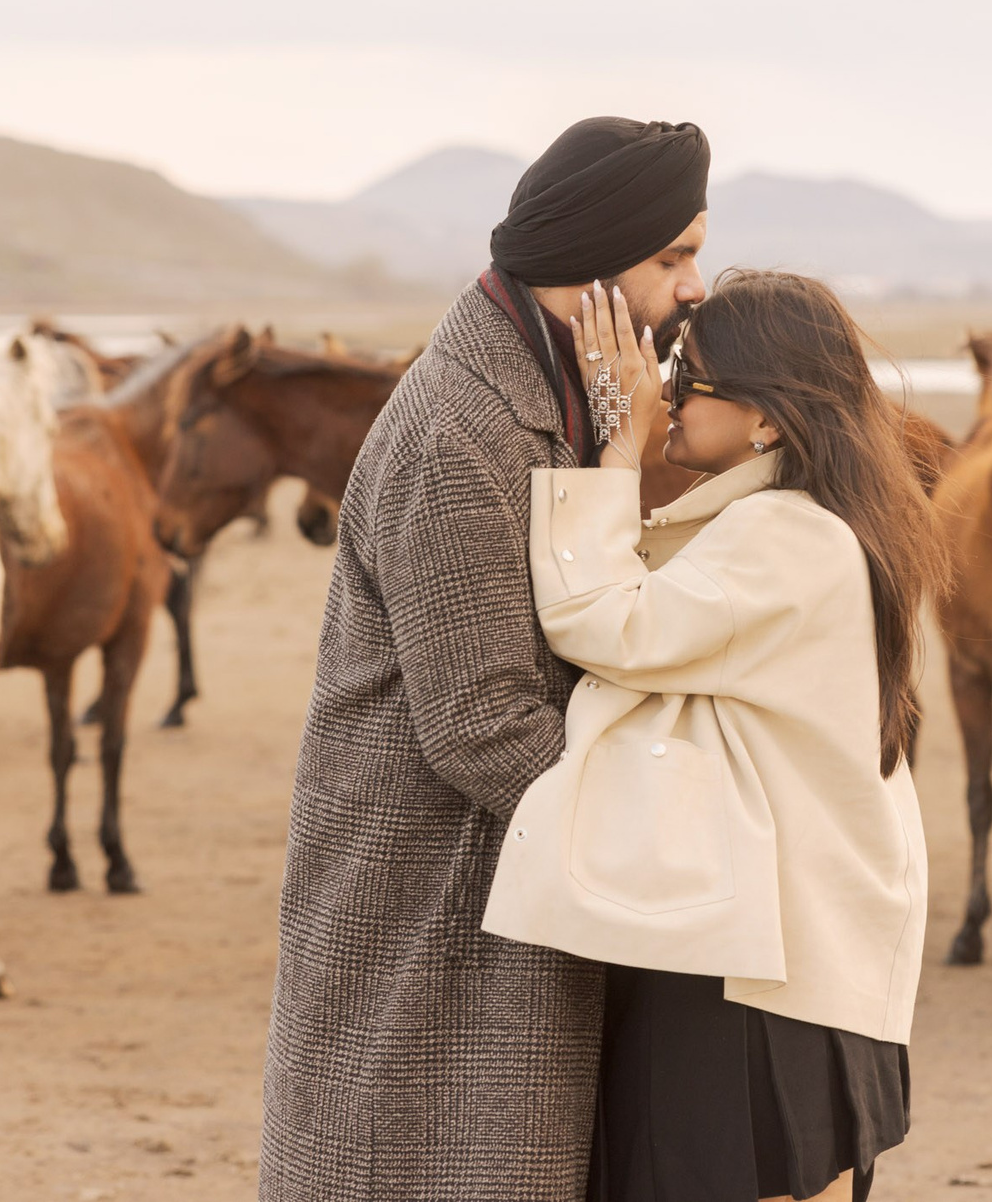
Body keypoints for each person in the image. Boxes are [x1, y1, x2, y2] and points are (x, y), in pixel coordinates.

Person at [258, 117, 711, 1202]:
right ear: (592, 268)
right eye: (673, 258)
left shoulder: (544, 389)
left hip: (492, 885)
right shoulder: (461, 432)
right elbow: (482, 724)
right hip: (430, 900)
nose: (695, 287)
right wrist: (678, 836)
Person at [484, 269, 945, 1202]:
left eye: (688, 376)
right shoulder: (817, 520)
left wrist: (618, 446)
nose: (668, 394)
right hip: (786, 955)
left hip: (760, 972)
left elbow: (607, 623)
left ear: (768, 414)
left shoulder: (787, 534)